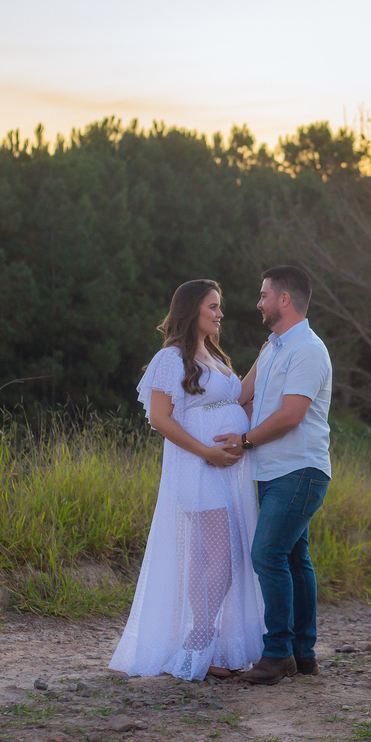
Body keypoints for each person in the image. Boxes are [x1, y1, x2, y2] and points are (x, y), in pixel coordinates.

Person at [109, 279, 266, 681]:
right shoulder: (171, 357)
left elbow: (235, 397)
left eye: (220, 307)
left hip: (221, 473)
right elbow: (159, 418)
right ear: (192, 309)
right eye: (212, 306)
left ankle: (209, 649)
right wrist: (208, 452)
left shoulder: (213, 356)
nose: (219, 313)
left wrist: (266, 356)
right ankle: (198, 642)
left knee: (207, 558)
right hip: (196, 470)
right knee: (223, 558)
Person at [215, 266, 332, 685]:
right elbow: (240, 394)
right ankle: (303, 654)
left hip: (300, 469)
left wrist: (244, 440)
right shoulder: (272, 348)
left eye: (264, 295)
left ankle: (278, 652)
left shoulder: (308, 350)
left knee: (267, 554)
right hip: (274, 471)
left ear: (285, 299)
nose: (258, 302)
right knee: (295, 559)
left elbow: (291, 415)